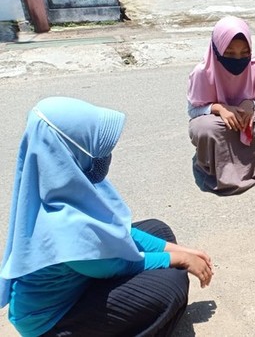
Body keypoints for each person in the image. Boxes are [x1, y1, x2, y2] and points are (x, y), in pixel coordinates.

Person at [0, 97, 214, 336]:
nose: (104, 155)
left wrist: (181, 250)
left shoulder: (62, 186)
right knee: (169, 285)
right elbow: (115, 265)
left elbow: (116, 232)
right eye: (93, 146)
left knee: (158, 229)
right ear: (71, 150)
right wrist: (179, 259)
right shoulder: (61, 222)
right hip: (53, 322)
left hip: (79, 283)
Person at [187, 16, 255, 195]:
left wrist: (251, 104)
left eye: (244, 53)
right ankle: (220, 173)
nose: (238, 59)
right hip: (217, 121)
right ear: (217, 49)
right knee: (206, 128)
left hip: (246, 119)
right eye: (229, 54)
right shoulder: (202, 72)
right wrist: (220, 109)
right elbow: (194, 111)